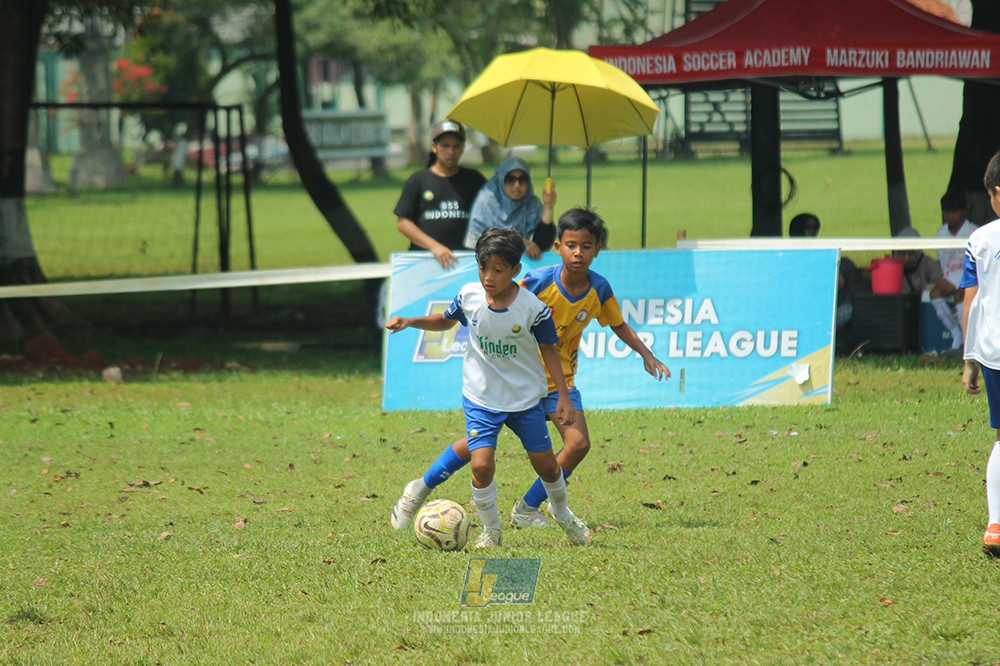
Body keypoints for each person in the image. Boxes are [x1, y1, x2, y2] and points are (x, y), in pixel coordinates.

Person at [389, 208, 669, 532]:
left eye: (587, 246)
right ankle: (420, 488)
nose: (578, 253)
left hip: (557, 382)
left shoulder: (599, 289)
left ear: (597, 249)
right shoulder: (534, 283)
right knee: (477, 447)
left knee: (577, 444)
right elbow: (502, 302)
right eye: (571, 245)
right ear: (558, 245)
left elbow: (619, 325)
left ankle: (528, 507)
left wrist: (647, 355)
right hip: (515, 379)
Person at [385, 226, 591, 549]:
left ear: (515, 270)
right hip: (481, 397)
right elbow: (445, 320)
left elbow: (550, 350)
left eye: (498, 270)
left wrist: (562, 396)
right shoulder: (469, 297)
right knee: (481, 463)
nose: (489, 277)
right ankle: (491, 531)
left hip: (524, 399)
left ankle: (564, 516)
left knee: (548, 466)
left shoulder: (533, 309)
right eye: (484, 268)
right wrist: (411, 321)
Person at [960, 149, 1000, 556]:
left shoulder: (980, 239)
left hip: (993, 351)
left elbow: (970, 304)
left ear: (998, 193)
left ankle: (995, 525)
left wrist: (969, 360)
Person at [393, 119, 487, 270]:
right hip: (425, 262)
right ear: (434, 147)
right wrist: (434, 247)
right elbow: (403, 223)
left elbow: (493, 213)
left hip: (465, 262)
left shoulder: (474, 179)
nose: (451, 151)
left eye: (456, 146)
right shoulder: (417, 181)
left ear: (463, 148)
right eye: (445, 146)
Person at [464, 157, 557, 260]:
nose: (517, 185)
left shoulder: (531, 203)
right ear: (501, 180)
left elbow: (542, 245)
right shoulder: (486, 202)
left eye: (523, 179)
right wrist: (518, 243)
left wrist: (549, 206)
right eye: (510, 179)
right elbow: (477, 244)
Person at [789, 213, 862, 338]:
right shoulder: (792, 255)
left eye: (815, 228)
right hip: (810, 315)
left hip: (830, 307)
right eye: (808, 227)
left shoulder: (820, 252)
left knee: (847, 264)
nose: (813, 232)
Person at [895, 226, 963, 349]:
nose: (906, 258)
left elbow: (941, 282)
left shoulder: (929, 264)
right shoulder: (894, 268)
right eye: (902, 254)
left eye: (911, 254)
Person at [937, 191, 977, 345]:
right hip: (950, 274)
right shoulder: (941, 233)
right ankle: (956, 333)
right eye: (946, 212)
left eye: (954, 212)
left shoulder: (973, 232)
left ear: (963, 211)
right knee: (935, 294)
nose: (949, 216)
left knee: (960, 295)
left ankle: (967, 340)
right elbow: (942, 258)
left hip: (968, 273)